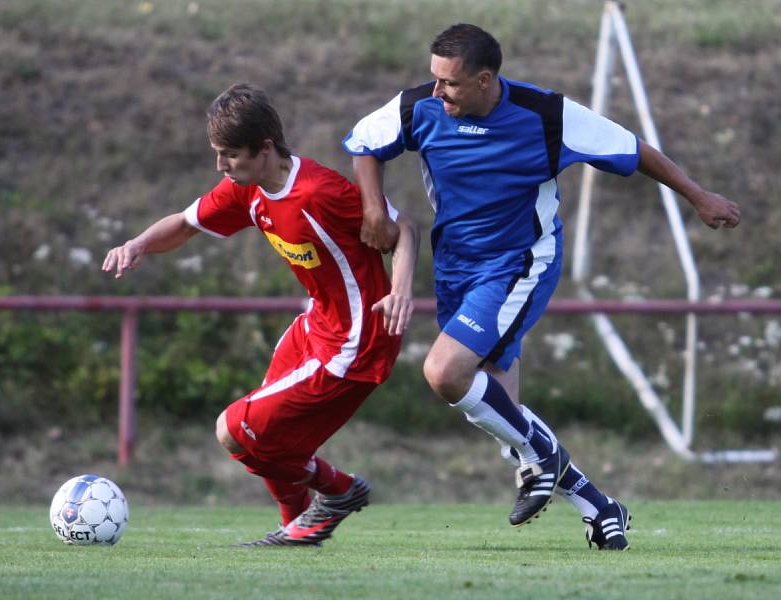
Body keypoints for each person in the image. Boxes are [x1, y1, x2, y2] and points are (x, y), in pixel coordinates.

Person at [342, 23, 740, 551]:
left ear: (485, 80)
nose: (437, 91)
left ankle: (543, 457)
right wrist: (373, 206)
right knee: (503, 413)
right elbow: (364, 142)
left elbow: (631, 147)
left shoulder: (547, 116)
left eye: (450, 83)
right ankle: (598, 505)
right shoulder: (420, 107)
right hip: (457, 266)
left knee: (445, 373)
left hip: (520, 261)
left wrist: (697, 195)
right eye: (433, 79)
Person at [103, 83, 420, 547]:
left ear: (266, 148)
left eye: (229, 154)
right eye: (218, 153)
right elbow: (186, 223)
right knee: (258, 438)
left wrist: (401, 291)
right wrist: (138, 245)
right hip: (316, 325)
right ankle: (296, 530)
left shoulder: (321, 193)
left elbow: (404, 230)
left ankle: (339, 489)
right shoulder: (245, 191)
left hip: (358, 339)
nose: (220, 165)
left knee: (234, 429)